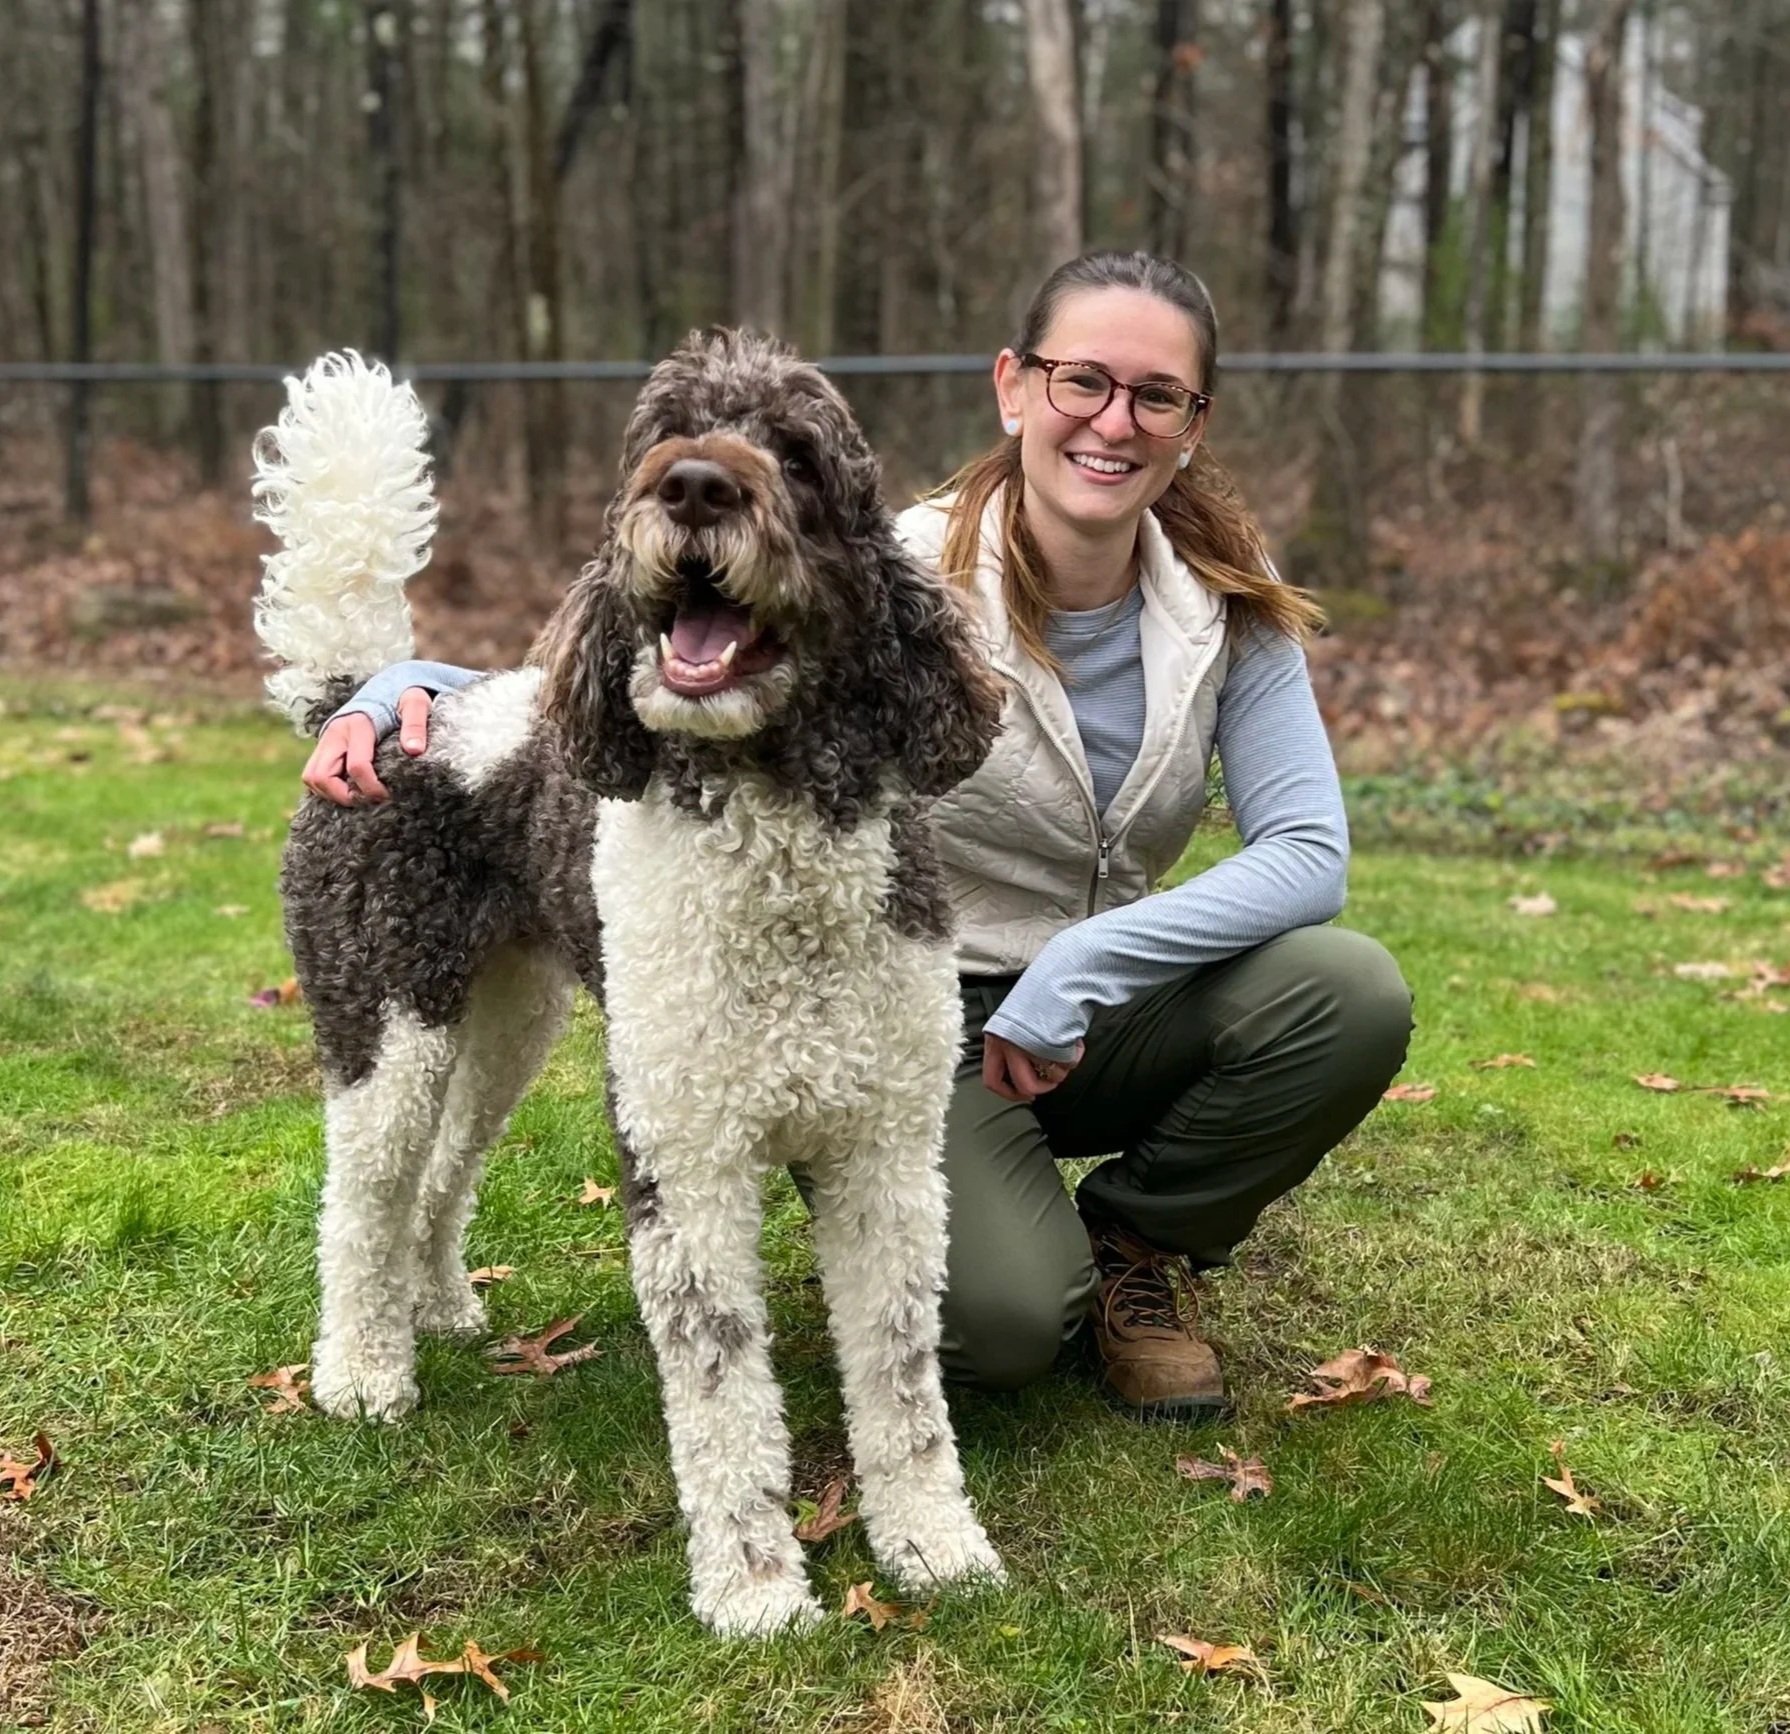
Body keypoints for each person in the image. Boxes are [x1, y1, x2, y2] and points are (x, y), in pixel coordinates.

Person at [306, 250, 1413, 1421]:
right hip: (915, 1011)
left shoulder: (1228, 601)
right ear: (1014, 387)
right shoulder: (889, 563)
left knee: (1345, 992)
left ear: (1193, 424)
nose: (1112, 421)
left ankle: (1139, 1245)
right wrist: (401, 684)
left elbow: (1306, 854)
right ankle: (1018, 1243)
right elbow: (670, 632)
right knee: (1002, 1329)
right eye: (1080, 379)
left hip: (1099, 1006)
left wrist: (1086, 969)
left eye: (1155, 396)